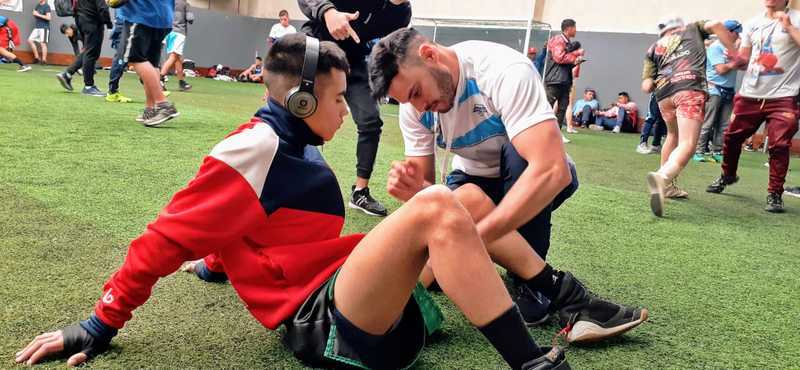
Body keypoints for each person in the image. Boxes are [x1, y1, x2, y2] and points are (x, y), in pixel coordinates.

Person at [9, 33, 640, 370]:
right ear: (303, 102)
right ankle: (531, 363)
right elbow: (165, 236)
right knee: (446, 206)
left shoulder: (294, 152)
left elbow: (248, 225)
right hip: (330, 329)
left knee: (465, 198)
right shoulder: (254, 147)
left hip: (370, 307)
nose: (347, 113)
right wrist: (98, 324)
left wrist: (219, 263)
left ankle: (559, 294)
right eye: (338, 101)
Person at [368, 28, 648, 333]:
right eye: (407, 102)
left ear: (430, 55)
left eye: (416, 93)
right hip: (471, 180)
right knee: (463, 208)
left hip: (527, 174)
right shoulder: (417, 109)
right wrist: (416, 190)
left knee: (520, 154)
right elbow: (430, 200)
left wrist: (469, 237)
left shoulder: (502, 70)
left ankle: (531, 282)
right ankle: (564, 293)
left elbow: (552, 170)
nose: (418, 107)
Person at [299, 0, 413, 217]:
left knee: (371, 120)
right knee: (296, 109)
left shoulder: (402, 14)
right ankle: (284, 172)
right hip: (316, 46)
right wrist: (328, 12)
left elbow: (387, 48)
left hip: (353, 59)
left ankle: (360, 192)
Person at [707, 0, 800, 213]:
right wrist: (735, 60)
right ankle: (727, 175)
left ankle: (775, 193)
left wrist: (789, 28)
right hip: (751, 93)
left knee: (779, 145)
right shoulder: (752, 23)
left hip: (784, 95)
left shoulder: (796, 19)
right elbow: (746, 59)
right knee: (731, 137)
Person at [641, 17, 739, 217]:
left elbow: (646, 86)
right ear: (679, 25)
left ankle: (667, 187)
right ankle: (663, 178)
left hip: (663, 94)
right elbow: (717, 25)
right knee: (688, 143)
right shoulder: (693, 28)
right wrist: (736, 55)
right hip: (689, 88)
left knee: (672, 136)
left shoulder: (654, 48)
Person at [112, 0, 180, 126]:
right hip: (163, 17)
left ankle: (163, 104)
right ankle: (150, 109)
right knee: (151, 62)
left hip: (141, 14)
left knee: (135, 58)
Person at [693, 20, 743, 163]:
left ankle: (717, 151)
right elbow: (720, 69)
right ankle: (699, 152)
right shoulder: (716, 47)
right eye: (737, 32)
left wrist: (737, 57)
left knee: (724, 125)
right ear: (729, 32)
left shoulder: (733, 48)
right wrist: (736, 62)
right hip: (714, 88)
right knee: (708, 122)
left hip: (728, 90)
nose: (738, 35)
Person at [56, 0, 113, 97]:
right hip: (92, 21)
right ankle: (88, 86)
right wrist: (109, 24)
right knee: (91, 52)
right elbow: (103, 7)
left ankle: (68, 74)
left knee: (88, 50)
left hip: (80, 20)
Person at [544, 19, 584, 142]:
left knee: (562, 109)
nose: (576, 30)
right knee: (547, 107)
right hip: (554, 81)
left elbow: (564, 63)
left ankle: (556, 135)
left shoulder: (567, 42)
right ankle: (541, 134)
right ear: (568, 29)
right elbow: (559, 58)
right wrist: (575, 56)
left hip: (565, 81)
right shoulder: (558, 40)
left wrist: (576, 61)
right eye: (574, 27)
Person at [159, 0, 194, 92]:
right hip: (179, 33)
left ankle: (181, 82)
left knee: (178, 58)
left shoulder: (169, 2)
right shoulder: (185, 4)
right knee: (174, 57)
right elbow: (190, 18)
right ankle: (160, 78)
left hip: (168, 32)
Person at [105, 11, 133, 104]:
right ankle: (112, 91)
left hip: (126, 21)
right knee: (121, 57)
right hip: (124, 22)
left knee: (134, 57)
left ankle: (155, 89)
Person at [27, 0, 51, 65]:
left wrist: (38, 14)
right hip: (37, 27)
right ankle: (37, 58)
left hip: (44, 27)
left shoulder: (47, 6)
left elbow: (48, 18)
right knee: (30, 40)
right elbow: (34, 13)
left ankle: (44, 60)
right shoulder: (38, 5)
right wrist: (35, 13)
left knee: (43, 43)